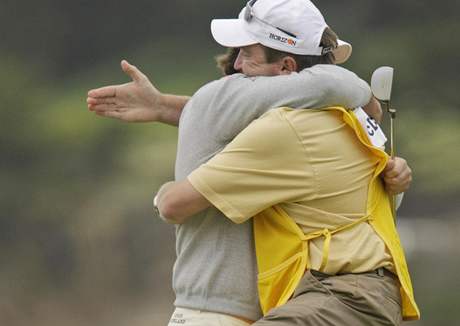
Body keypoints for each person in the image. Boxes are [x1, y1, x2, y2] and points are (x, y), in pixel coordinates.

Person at [87, 1, 414, 325]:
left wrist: (161, 192)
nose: (237, 66)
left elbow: (175, 202)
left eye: (247, 52)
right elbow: (387, 197)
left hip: (241, 306)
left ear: (287, 67)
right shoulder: (345, 116)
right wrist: (368, 98)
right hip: (313, 299)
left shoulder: (286, 119)